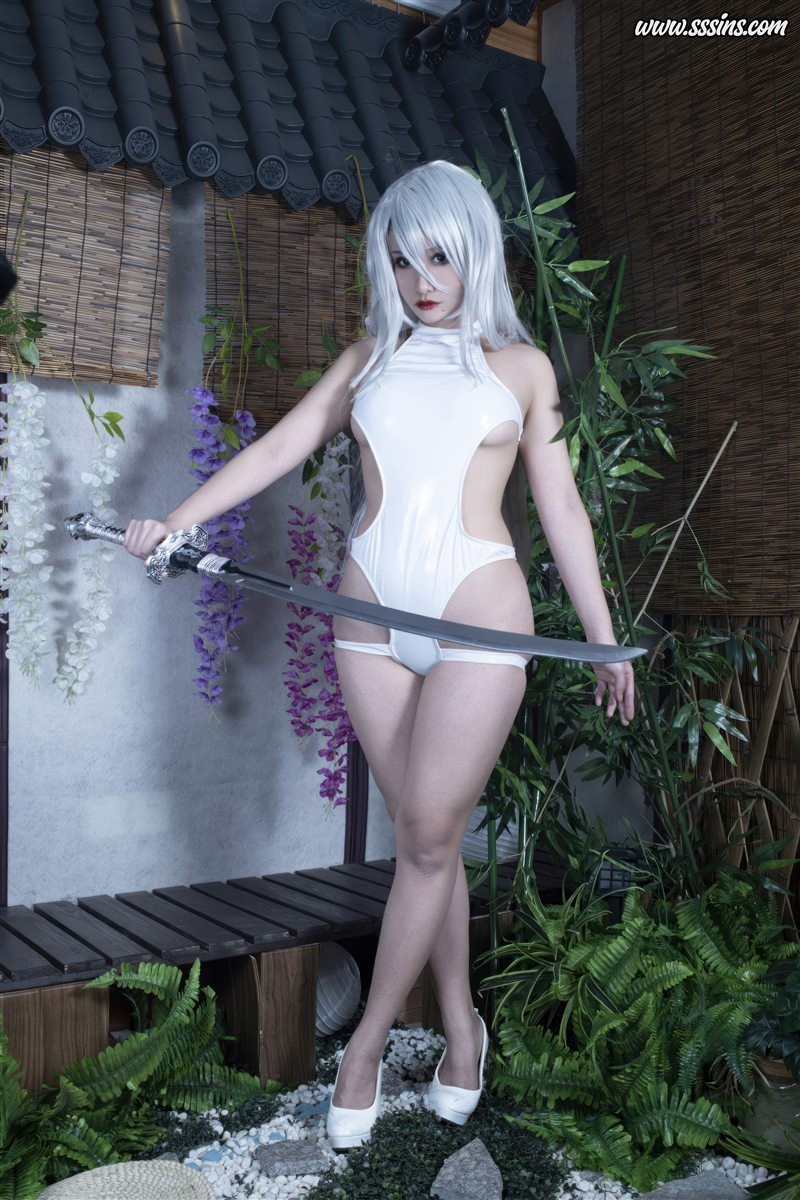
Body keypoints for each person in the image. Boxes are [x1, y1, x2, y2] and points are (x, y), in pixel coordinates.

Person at [124, 159, 635, 1148]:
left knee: (430, 834)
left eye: (440, 256)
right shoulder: (368, 358)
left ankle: (362, 1049)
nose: (421, 280)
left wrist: (604, 638)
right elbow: (278, 449)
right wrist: (172, 523)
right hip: (366, 619)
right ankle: (460, 1029)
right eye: (402, 260)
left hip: (479, 615)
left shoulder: (523, 369)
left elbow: (563, 510)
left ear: (476, 251)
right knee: (425, 840)